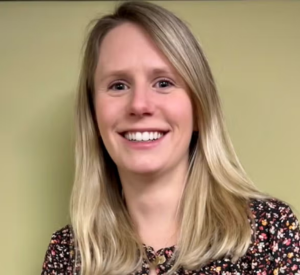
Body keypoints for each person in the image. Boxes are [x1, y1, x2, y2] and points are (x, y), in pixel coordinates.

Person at [41, 1, 300, 275]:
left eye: (163, 83)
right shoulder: (67, 253)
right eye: (118, 85)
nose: (140, 105)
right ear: (93, 115)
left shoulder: (268, 231)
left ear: (199, 109)